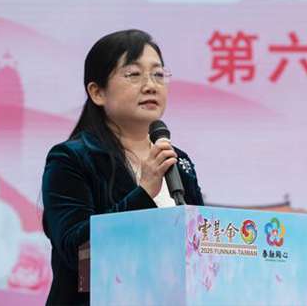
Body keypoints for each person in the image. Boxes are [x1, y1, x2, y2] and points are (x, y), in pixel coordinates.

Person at [41, 29, 203, 305]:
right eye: (133, 74)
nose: (150, 85)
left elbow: (199, 247)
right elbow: (75, 249)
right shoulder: (71, 159)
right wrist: (144, 192)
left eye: (158, 74)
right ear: (97, 92)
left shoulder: (178, 161)